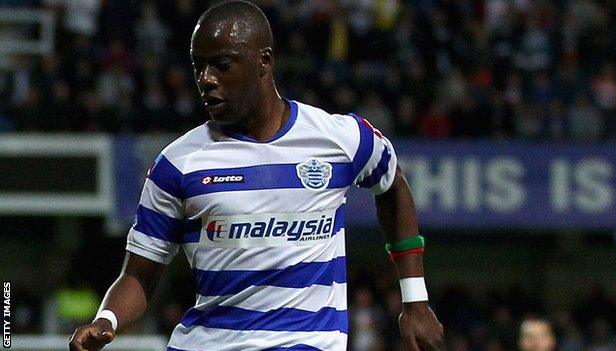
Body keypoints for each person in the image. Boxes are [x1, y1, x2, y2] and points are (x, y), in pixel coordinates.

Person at [69, 1, 444, 350]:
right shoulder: (177, 164)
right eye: (198, 66)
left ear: (264, 61)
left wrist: (415, 300)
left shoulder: (340, 139)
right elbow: (138, 275)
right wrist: (108, 319)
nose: (206, 79)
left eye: (221, 64)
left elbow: (393, 185)